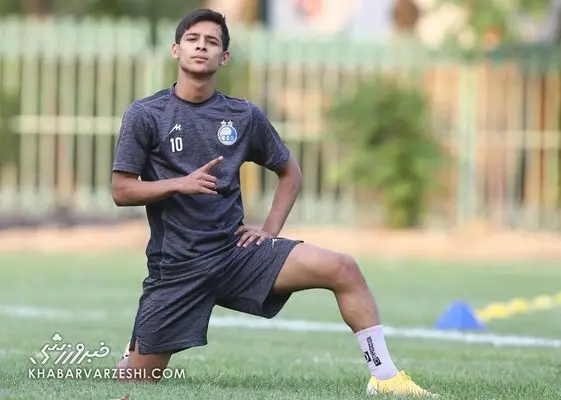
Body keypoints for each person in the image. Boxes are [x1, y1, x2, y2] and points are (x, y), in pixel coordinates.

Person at [110, 8, 435, 397]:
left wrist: (269, 231)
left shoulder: (242, 115)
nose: (201, 46)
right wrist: (181, 184)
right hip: (179, 267)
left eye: (211, 42)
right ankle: (135, 352)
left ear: (224, 57)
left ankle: (384, 377)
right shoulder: (146, 114)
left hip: (235, 254)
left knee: (343, 268)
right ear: (176, 50)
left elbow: (290, 173)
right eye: (193, 39)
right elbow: (122, 190)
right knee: (134, 383)